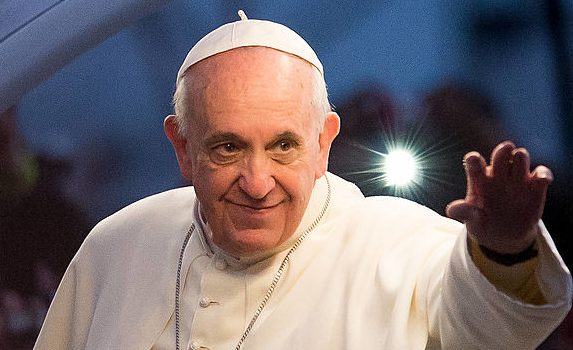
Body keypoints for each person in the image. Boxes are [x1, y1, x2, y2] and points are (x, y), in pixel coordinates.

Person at [34, 12, 572, 350]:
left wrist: (505, 250)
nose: (257, 181)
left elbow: (488, 328)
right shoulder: (116, 245)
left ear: (323, 143)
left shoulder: (399, 242)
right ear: (182, 147)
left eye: (283, 146)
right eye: (228, 147)